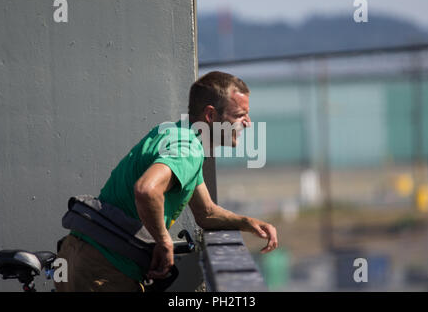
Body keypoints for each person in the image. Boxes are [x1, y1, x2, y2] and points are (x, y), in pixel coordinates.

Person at [55, 71, 278, 292]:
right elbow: (146, 190)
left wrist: (247, 222)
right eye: (239, 115)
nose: (248, 123)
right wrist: (164, 241)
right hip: (102, 269)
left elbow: (206, 212)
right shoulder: (187, 150)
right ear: (210, 115)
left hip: (74, 255)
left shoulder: (176, 134)